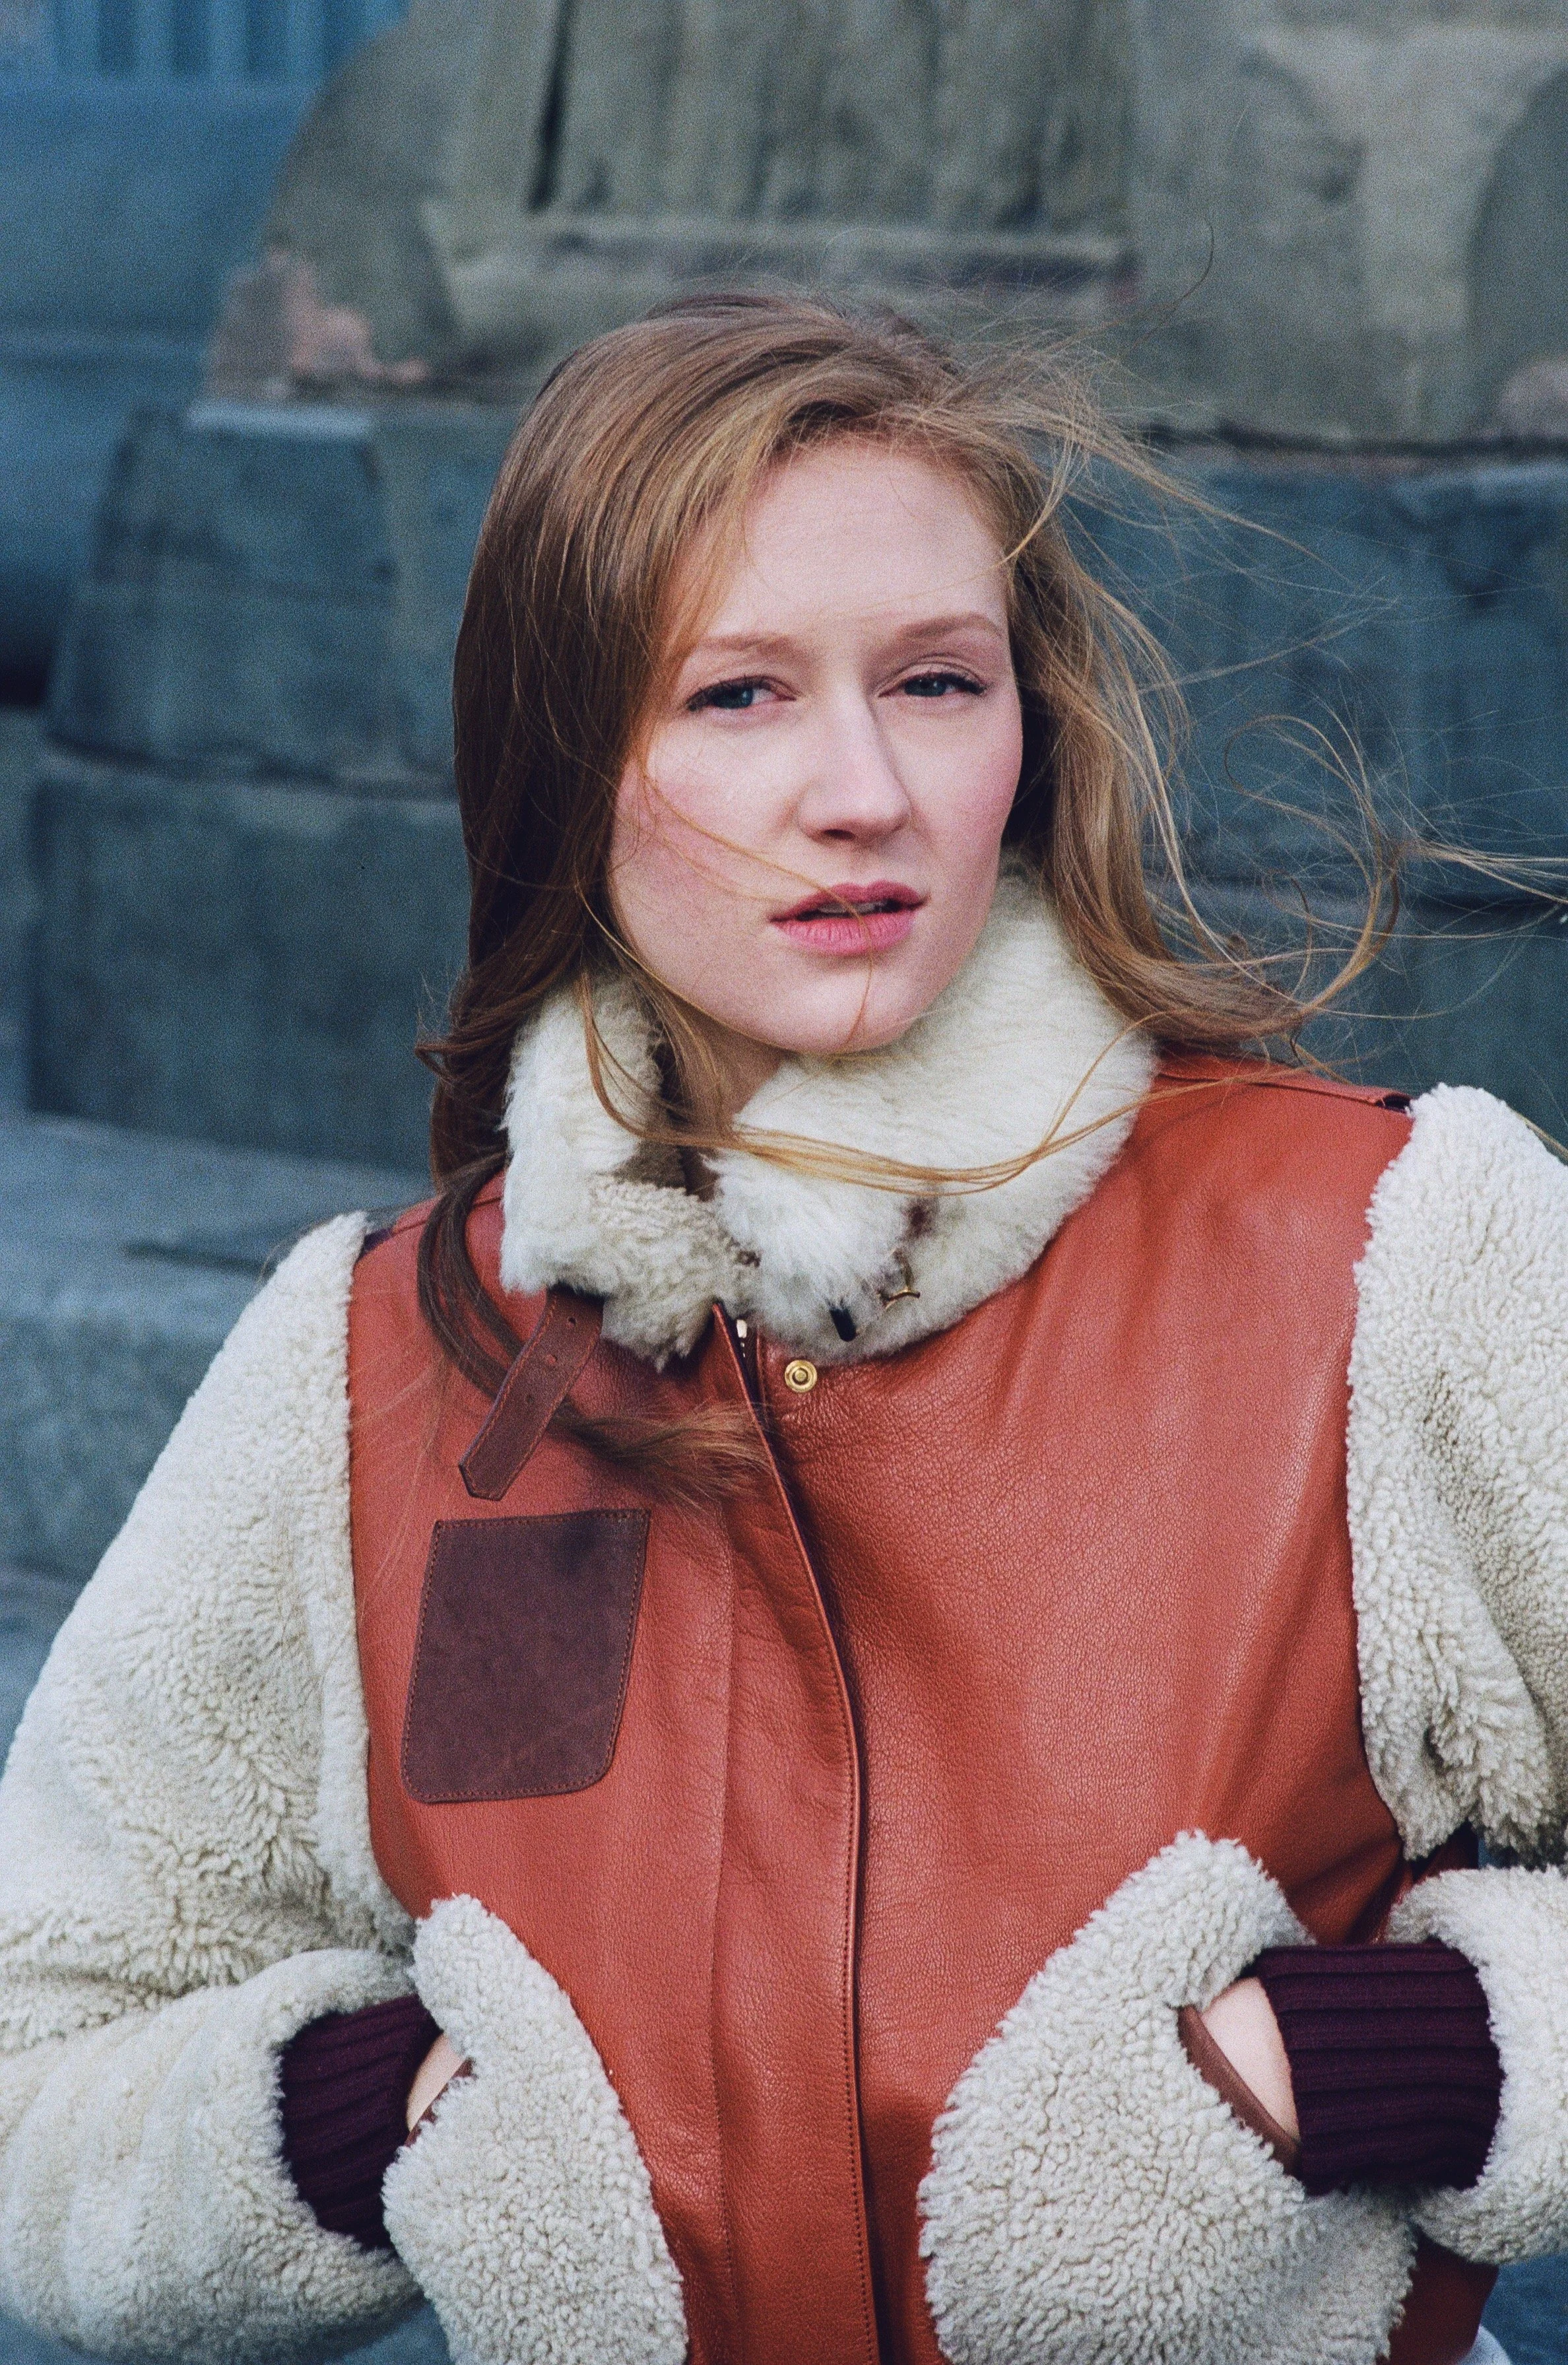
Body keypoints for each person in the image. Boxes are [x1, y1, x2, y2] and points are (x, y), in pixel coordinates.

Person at [0, 294, 1559, 2365]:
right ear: (565, 760)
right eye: (734, 696)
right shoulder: (381, 1370)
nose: (862, 790)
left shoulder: (1379, 1245)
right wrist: (359, 2119)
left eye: (937, 680)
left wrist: (1400, 2053)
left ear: (1030, 730)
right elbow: (41, 2049)